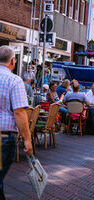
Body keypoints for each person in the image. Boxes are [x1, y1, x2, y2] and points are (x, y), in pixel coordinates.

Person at [0, 46, 33, 199]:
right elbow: (19, 112)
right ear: (13, 61)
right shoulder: (14, 80)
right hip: (3, 138)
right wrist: (27, 140)